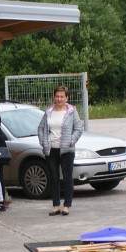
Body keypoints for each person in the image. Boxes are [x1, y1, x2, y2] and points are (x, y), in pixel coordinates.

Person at [36, 85, 83, 216]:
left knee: (67, 178)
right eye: (57, 96)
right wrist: (43, 142)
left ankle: (67, 205)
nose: (59, 99)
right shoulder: (48, 111)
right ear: (54, 97)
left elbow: (79, 129)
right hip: (51, 150)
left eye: (62, 96)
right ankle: (56, 205)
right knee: (53, 178)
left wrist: (71, 141)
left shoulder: (71, 112)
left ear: (66, 98)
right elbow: (40, 128)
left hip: (67, 150)